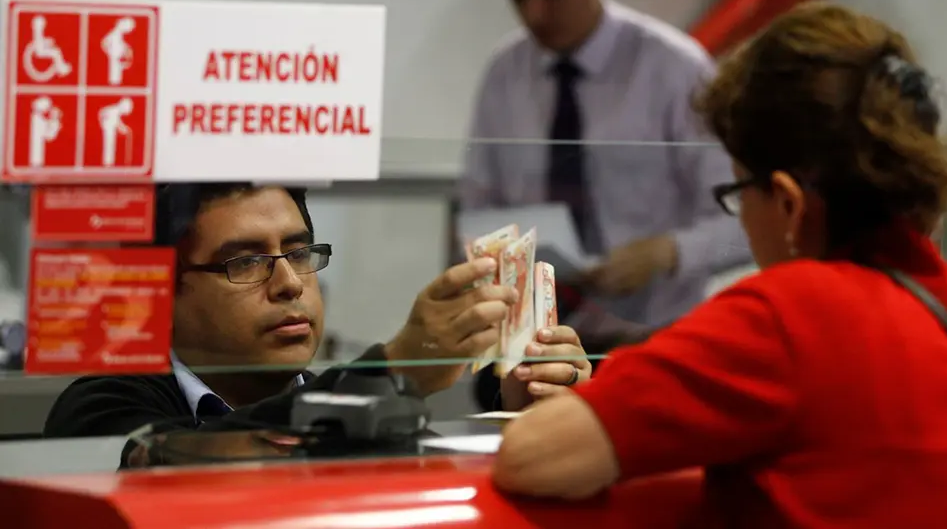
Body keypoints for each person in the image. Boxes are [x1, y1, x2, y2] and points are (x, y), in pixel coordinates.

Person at [492, 2, 947, 527]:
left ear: (788, 204)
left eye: (737, 193)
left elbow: (530, 458)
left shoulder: (783, 318)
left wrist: (595, 404)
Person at [44, 183, 591, 464]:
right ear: (164, 292)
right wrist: (394, 371)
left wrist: (529, 427)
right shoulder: (102, 407)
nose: (289, 283)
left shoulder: (368, 417)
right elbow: (185, 465)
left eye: (300, 253)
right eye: (246, 262)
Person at [460, 0, 749, 353]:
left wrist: (668, 253)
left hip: (653, 341)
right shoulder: (504, 74)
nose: (532, 13)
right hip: (531, 339)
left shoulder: (674, 68)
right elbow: (478, 211)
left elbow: (742, 220)